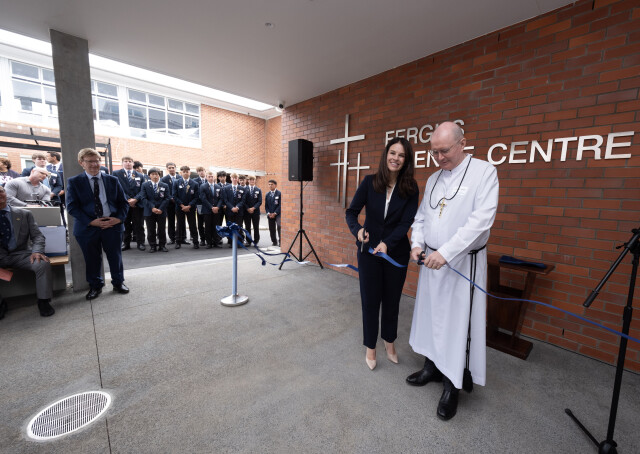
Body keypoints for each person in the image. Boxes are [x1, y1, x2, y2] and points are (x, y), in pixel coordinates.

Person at [407, 122, 499, 421]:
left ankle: (452, 384)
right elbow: (422, 217)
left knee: (455, 324)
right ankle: (431, 367)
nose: (439, 158)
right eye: (434, 152)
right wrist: (417, 244)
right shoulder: (434, 178)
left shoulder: (484, 172)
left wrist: (446, 253)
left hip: (461, 263)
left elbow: (480, 221)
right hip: (431, 261)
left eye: (444, 151)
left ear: (463, 143)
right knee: (430, 316)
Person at [345, 137, 419, 371]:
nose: (396, 158)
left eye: (401, 155)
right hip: (368, 253)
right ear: (386, 154)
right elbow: (351, 212)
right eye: (392, 153)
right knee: (370, 301)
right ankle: (370, 346)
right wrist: (358, 231)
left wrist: (387, 243)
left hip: (396, 254)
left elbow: (406, 222)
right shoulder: (370, 182)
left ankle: (389, 342)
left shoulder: (411, 187)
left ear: (406, 160)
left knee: (392, 301)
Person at [65, 148, 130, 300]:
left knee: (115, 256)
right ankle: (95, 286)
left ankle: (118, 282)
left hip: (112, 225)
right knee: (92, 258)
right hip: (88, 227)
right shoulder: (74, 182)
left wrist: (118, 219)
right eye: (90, 161)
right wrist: (91, 221)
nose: (94, 164)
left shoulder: (112, 180)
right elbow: (72, 207)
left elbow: (123, 203)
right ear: (81, 163)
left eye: (97, 161)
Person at [0, 185, 55, 318]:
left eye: (0, 191)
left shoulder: (24, 214)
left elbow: (38, 236)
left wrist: (37, 251)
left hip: (20, 254)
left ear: (5, 193)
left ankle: (43, 301)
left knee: (42, 263)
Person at [113, 157, 146, 251]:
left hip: (137, 204)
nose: (128, 163)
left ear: (133, 163)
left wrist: (135, 199)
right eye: (126, 161)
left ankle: (141, 243)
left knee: (139, 224)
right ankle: (126, 243)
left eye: (130, 161)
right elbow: (117, 188)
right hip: (124, 204)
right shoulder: (116, 174)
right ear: (122, 163)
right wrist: (128, 199)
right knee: (125, 224)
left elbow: (143, 190)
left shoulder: (140, 175)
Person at [139, 167, 169, 252]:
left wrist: (160, 208)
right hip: (149, 211)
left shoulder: (165, 185)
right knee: (151, 229)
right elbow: (143, 198)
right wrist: (152, 207)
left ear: (159, 175)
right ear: (149, 176)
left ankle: (162, 245)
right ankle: (152, 245)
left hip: (161, 211)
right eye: (153, 174)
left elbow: (167, 198)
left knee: (162, 229)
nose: (155, 176)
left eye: (156, 174)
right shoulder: (145, 185)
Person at [173, 166, 200, 249]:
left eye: (187, 171)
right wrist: (182, 205)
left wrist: (189, 206)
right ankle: (178, 241)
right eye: (183, 172)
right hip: (180, 207)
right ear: (180, 173)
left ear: (189, 173)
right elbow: (174, 196)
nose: (185, 173)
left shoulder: (195, 184)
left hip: (190, 208)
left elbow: (196, 197)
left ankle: (195, 242)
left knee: (192, 225)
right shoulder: (176, 182)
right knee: (179, 225)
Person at [199, 171, 224, 248]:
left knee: (216, 226)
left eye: (212, 176)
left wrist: (217, 207)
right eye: (209, 176)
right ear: (206, 177)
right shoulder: (203, 186)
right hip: (207, 210)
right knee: (208, 227)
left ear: (214, 177)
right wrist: (211, 207)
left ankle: (216, 242)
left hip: (217, 210)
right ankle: (209, 243)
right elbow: (203, 198)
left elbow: (221, 199)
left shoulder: (218, 187)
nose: (211, 178)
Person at [222, 172, 247, 246]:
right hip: (230, 211)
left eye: (236, 178)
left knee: (239, 227)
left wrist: (237, 207)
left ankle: (239, 242)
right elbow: (225, 200)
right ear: (231, 179)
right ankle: (231, 242)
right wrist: (232, 207)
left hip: (239, 211)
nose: (234, 179)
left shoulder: (242, 189)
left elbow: (243, 200)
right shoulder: (226, 188)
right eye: (233, 178)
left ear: (238, 179)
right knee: (230, 227)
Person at [161, 162, 179, 245]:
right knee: (171, 221)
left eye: (173, 167)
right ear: (167, 169)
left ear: (175, 168)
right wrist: (171, 198)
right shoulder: (164, 179)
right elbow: (163, 191)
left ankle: (181, 237)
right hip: (169, 203)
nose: (171, 169)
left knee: (180, 221)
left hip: (179, 203)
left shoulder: (180, 177)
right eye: (169, 168)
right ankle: (172, 238)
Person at [46, 152, 66, 226]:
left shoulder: (65, 166)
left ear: (54, 157)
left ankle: (65, 228)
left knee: (66, 213)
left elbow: (68, 179)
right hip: (53, 195)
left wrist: (64, 190)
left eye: (47, 156)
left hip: (65, 194)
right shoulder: (47, 168)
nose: (46, 158)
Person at [243, 175, 262, 245]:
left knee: (256, 227)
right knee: (247, 227)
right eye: (250, 180)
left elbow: (259, 201)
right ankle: (248, 241)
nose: (252, 181)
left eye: (253, 180)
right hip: (247, 211)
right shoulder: (244, 189)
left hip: (255, 211)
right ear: (248, 181)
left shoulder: (258, 190)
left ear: (255, 181)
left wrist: (253, 208)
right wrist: (248, 208)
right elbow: (243, 201)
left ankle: (256, 240)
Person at [265, 180, 281, 247]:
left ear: (275, 185)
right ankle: (274, 241)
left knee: (279, 227)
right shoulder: (267, 194)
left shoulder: (279, 193)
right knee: (271, 229)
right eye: (269, 184)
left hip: (278, 214)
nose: (270, 186)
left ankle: (281, 242)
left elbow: (280, 205)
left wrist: (275, 213)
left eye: (272, 184)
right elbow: (266, 206)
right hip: (270, 215)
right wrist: (268, 213)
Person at [194, 166, 207, 246]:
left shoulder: (209, 179)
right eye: (199, 171)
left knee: (208, 222)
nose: (201, 172)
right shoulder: (195, 181)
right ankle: (202, 239)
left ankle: (209, 238)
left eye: (202, 170)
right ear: (197, 172)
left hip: (208, 204)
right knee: (200, 223)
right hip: (199, 204)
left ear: (205, 171)